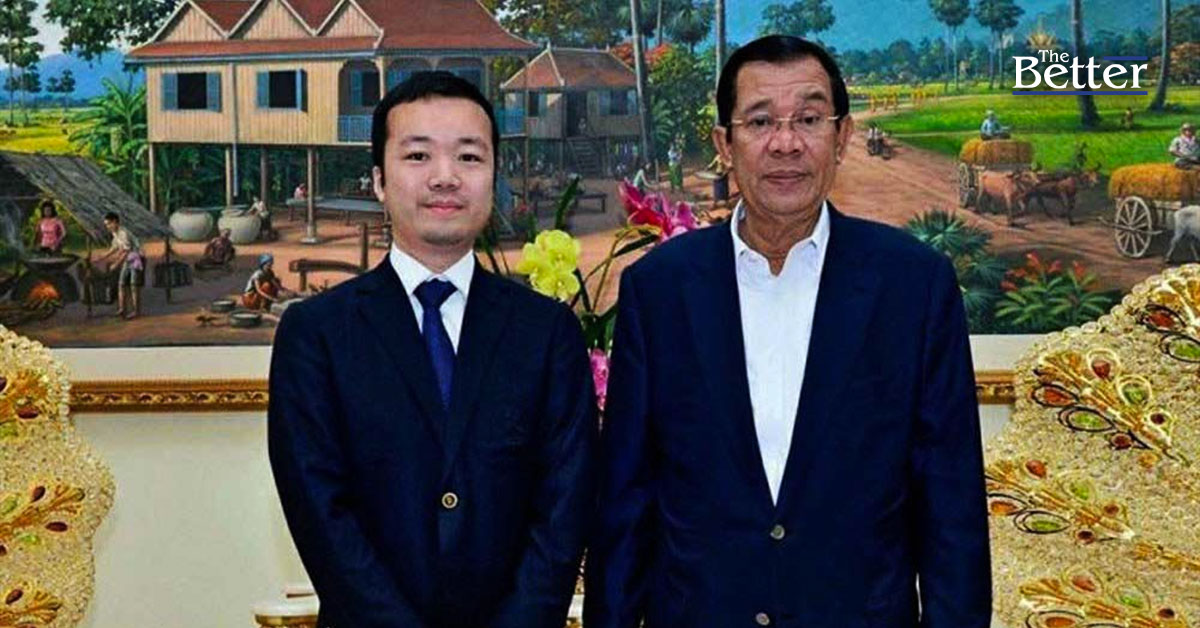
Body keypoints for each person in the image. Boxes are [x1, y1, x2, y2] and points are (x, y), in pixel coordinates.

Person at [585, 35, 991, 628]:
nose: (785, 143)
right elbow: (626, 499)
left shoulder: (913, 285)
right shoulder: (661, 288)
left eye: (808, 119)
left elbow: (951, 505)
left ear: (842, 137)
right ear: (724, 144)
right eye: (759, 122)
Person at [268, 71, 596, 628]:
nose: (445, 177)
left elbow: (564, 508)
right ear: (379, 180)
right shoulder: (316, 334)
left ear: (493, 176)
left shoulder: (547, 333)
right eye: (418, 156)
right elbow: (320, 509)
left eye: (469, 157)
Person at [93, 212, 145, 320]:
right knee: (121, 284)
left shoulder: (123, 233)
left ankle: (136, 311)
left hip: (135, 260)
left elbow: (126, 250)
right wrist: (101, 257)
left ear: (115, 222)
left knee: (133, 286)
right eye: (106, 225)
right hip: (127, 259)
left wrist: (116, 264)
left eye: (109, 224)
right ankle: (122, 308)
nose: (107, 227)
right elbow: (114, 248)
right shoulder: (115, 233)